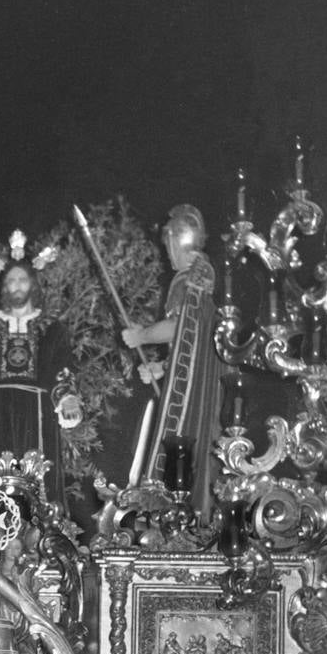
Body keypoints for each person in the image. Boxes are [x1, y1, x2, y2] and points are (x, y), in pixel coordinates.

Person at [0, 257, 83, 509]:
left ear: (32, 285)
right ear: (4, 288)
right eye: (11, 281)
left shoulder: (51, 328)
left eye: (22, 279)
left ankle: (41, 537)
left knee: (39, 482)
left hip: (37, 413)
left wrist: (67, 398)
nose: (17, 286)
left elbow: (62, 367)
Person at [121, 204, 225, 516]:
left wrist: (142, 336)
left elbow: (178, 327)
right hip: (204, 385)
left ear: (178, 242)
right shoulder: (203, 278)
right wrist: (162, 368)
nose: (169, 256)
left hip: (193, 397)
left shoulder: (187, 280)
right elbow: (191, 345)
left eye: (169, 247)